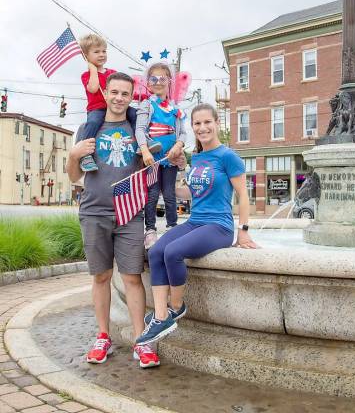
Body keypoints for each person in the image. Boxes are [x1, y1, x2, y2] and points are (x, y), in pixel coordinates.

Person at [136, 103, 257, 347]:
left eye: (207, 122)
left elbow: (243, 195)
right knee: (157, 250)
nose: (202, 128)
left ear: (217, 123)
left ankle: (176, 308)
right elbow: (191, 193)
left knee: (173, 252)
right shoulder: (198, 157)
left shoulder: (228, 156)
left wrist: (243, 232)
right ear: (192, 127)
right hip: (195, 221)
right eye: (197, 124)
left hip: (219, 227)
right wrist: (166, 184)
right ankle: (161, 317)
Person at [66, 72, 160, 369]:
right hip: (94, 211)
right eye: (115, 92)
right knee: (101, 277)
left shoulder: (138, 129)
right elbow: (74, 176)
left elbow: (152, 167)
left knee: (132, 277)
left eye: (125, 94)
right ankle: (103, 335)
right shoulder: (88, 128)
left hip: (129, 212)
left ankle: (141, 341)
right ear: (105, 94)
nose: (119, 98)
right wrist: (72, 155)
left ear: (132, 97)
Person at [135, 62, 187, 250]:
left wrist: (179, 146)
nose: (158, 82)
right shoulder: (147, 105)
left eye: (162, 78)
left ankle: (172, 227)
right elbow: (140, 129)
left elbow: (183, 133)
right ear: (148, 82)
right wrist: (146, 150)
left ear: (169, 81)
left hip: (170, 158)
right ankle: (150, 230)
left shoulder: (175, 108)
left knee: (170, 193)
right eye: (153, 79)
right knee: (153, 193)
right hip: (152, 158)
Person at [78, 34, 144, 172]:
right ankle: (85, 155)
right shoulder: (87, 75)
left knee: (135, 114)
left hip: (114, 107)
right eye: (96, 52)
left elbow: (121, 87)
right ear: (86, 56)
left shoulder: (112, 73)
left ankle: (141, 143)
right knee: (93, 123)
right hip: (97, 109)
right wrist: (92, 69)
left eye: (104, 51)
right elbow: (93, 88)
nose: (101, 54)